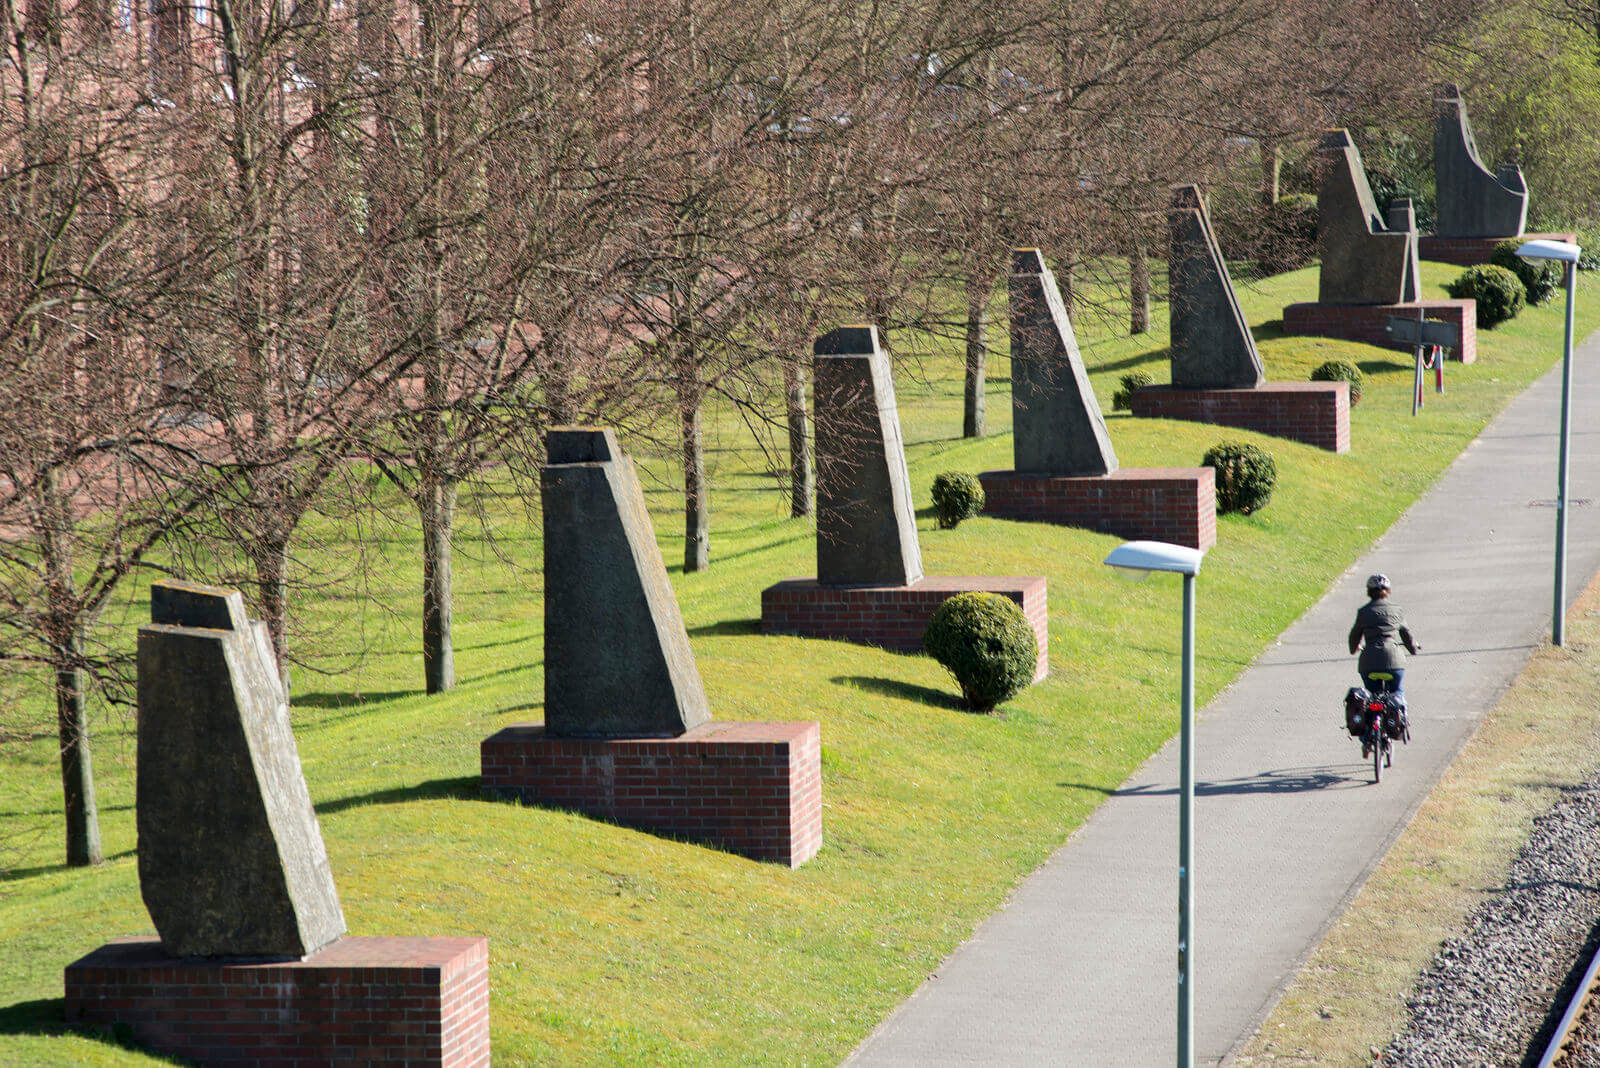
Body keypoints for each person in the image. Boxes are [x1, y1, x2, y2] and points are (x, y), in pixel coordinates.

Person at [1348, 573, 1420, 698]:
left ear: (1369, 591)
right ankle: (1400, 716)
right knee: (1397, 692)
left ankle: (1371, 716)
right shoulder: (1396, 610)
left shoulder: (1364, 611)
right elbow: (1406, 635)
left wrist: (1354, 648)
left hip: (1369, 661)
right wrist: (1413, 649)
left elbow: (1354, 636)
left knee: (1370, 696)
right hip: (1393, 660)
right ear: (1388, 591)